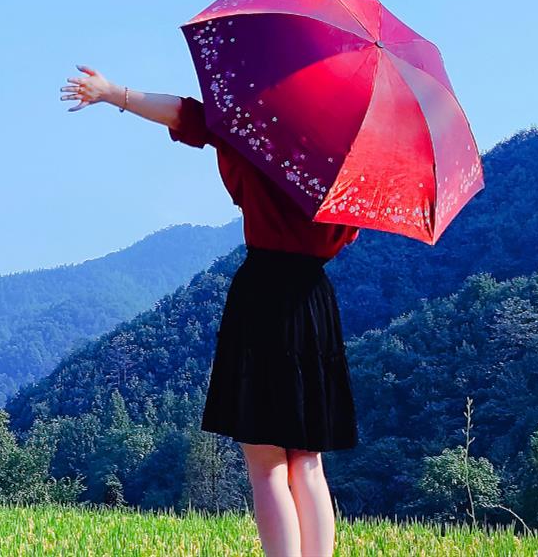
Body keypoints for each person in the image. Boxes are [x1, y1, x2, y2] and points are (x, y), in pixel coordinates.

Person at [61, 64, 361, 557]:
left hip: (263, 293)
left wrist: (112, 91)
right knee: (308, 461)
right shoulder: (346, 161)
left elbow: (186, 114)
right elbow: (344, 234)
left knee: (266, 463)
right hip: (315, 303)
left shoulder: (256, 129)